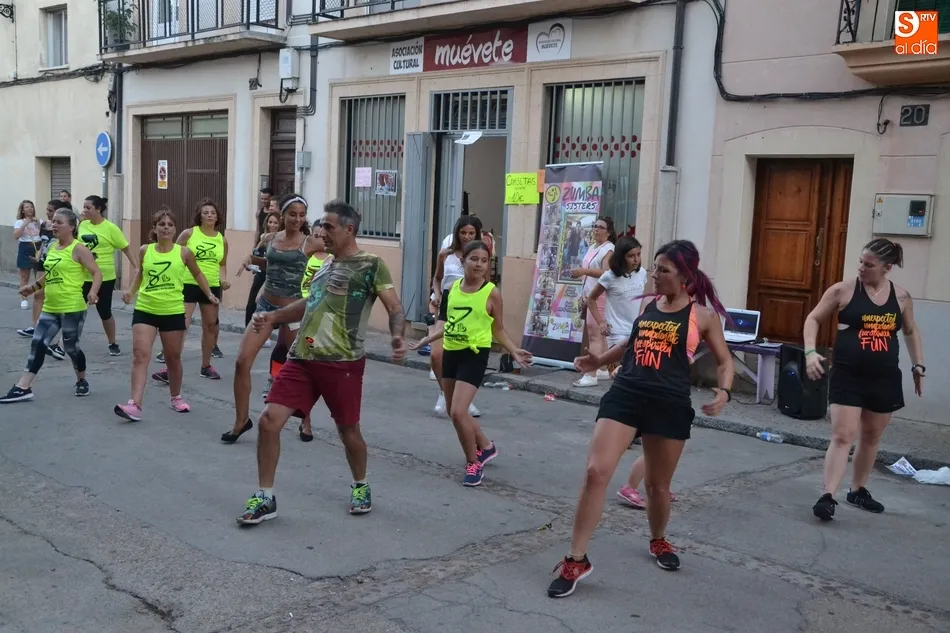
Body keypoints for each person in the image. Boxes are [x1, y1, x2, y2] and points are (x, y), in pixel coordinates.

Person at [547, 240, 734, 598]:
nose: (654, 275)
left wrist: (723, 393)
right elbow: (629, 345)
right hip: (627, 394)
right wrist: (597, 362)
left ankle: (659, 539)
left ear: (684, 276)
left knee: (657, 487)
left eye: (662, 270)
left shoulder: (702, 317)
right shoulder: (648, 306)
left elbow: (725, 361)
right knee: (595, 472)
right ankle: (576, 558)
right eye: (655, 267)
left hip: (669, 404)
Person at [236, 199, 407, 524]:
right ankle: (265, 496)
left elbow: (395, 309)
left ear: (349, 229)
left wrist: (397, 337)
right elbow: (309, 304)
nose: (320, 232)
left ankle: (360, 484)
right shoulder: (325, 265)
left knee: (348, 432)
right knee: (269, 420)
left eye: (328, 226)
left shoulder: (371, 264)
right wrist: (273, 316)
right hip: (302, 357)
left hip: (342, 363)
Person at [804, 238, 924, 521]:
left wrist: (918, 365)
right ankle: (827, 496)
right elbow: (813, 319)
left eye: (868, 265)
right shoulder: (842, 291)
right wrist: (810, 352)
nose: (861, 268)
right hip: (848, 375)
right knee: (843, 435)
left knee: (871, 437)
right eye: (860, 262)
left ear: (887, 268)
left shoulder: (902, 297)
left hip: (884, 378)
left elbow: (910, 331)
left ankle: (858, 490)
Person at [409, 241, 531, 486]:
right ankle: (485, 445)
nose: (479, 264)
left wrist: (514, 350)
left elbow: (498, 329)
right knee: (454, 414)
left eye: (484, 261)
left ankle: (473, 463)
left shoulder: (491, 293)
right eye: (474, 259)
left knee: (457, 410)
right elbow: (444, 323)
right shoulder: (453, 289)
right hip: (451, 353)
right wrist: (427, 338)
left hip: (474, 355)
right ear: (462, 260)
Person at [222, 193, 323, 444]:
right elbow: (268, 264)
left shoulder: (311, 243)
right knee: (241, 362)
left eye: (302, 215)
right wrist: (249, 259)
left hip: (293, 312)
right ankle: (241, 420)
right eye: (292, 214)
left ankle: (305, 419)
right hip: (266, 307)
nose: (297, 219)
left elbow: (338, 256)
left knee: (299, 368)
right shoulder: (270, 238)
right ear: (282, 215)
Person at [115, 209, 219, 421]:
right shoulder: (146, 250)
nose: (165, 227)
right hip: (145, 308)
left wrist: (209, 294)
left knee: (173, 358)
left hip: (172, 311)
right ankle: (134, 404)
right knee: (140, 355)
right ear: (154, 229)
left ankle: (176, 396)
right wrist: (130, 293)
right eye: (161, 224)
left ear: (174, 229)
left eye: (170, 224)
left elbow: (198, 273)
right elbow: (140, 274)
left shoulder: (183, 253)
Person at [0, 208, 102, 403]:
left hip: (72, 307)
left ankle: (82, 380)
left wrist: (93, 291)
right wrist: (33, 287)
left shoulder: (79, 248)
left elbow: (96, 273)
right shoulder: (54, 247)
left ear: (71, 227)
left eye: (59, 222)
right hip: (50, 307)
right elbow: (51, 273)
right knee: (37, 343)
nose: (54, 225)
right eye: (53, 221)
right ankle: (23, 387)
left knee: (72, 349)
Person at [265, 232, 332, 441]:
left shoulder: (330, 260)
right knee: (281, 351)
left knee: (304, 360)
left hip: (316, 312)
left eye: (325, 232)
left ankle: (306, 419)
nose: (322, 235)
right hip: (294, 307)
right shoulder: (305, 255)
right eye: (319, 230)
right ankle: (276, 388)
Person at [153, 199, 229, 376]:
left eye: (212, 212)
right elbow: (174, 254)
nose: (209, 215)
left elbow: (223, 264)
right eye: (205, 212)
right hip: (188, 283)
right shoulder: (189, 234)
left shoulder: (222, 240)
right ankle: (170, 367)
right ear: (199, 216)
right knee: (182, 325)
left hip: (211, 286)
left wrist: (224, 280)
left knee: (210, 326)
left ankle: (206, 366)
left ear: (217, 217)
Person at [430, 217, 488, 418]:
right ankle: (443, 392)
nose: (467, 236)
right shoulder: (445, 255)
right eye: (463, 232)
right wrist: (436, 295)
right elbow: (437, 279)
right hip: (447, 302)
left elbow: (486, 284)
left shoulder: (479, 256)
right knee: (436, 354)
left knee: (465, 356)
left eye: (471, 233)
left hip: (470, 306)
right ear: (457, 233)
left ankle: (464, 400)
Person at [78, 195, 138, 356]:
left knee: (104, 311)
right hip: (83, 275)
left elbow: (125, 247)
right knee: (75, 309)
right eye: (84, 207)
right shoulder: (82, 225)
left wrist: (136, 267)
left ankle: (112, 342)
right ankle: (65, 343)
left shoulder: (111, 228)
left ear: (98, 209)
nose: (84, 210)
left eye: (88, 207)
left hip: (105, 276)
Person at [17, 200, 67, 362]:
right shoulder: (44, 224)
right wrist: (38, 256)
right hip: (43, 261)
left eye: (51, 210)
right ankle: (36, 326)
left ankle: (62, 337)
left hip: (57, 265)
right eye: (47, 209)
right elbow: (42, 242)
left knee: (56, 299)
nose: (48, 213)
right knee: (39, 294)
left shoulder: (64, 225)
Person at [570, 217, 617, 387]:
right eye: (595, 226)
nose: (596, 230)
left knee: (595, 334)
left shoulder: (609, 250)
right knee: (598, 335)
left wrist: (584, 271)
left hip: (600, 296)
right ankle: (602, 368)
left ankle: (590, 374)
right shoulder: (593, 247)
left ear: (609, 232)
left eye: (601, 227)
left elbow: (606, 272)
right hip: (590, 294)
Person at [244, 187, 274, 327]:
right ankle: (248, 326)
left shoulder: (279, 220)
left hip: (272, 259)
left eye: (266, 199)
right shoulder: (260, 213)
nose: (264, 201)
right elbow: (257, 231)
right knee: (254, 294)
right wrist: (255, 248)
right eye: (261, 199)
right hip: (262, 250)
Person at [13, 200, 43, 312]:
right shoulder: (19, 222)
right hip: (25, 247)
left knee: (39, 274)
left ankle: (39, 297)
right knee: (24, 275)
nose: (30, 209)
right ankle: (23, 298)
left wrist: (39, 224)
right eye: (27, 207)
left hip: (38, 246)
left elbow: (44, 233)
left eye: (31, 207)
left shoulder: (39, 221)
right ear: (22, 210)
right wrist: (25, 224)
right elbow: (16, 236)